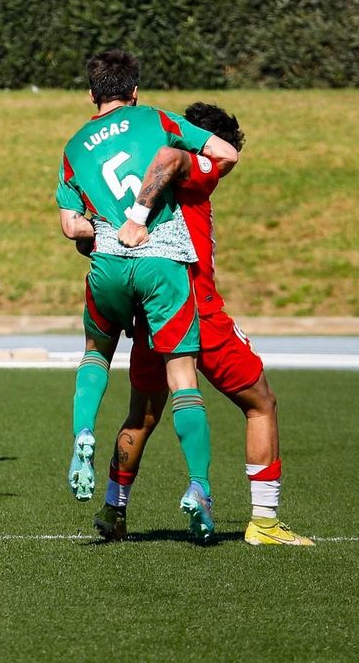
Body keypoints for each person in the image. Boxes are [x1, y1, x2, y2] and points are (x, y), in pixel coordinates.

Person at [96, 102, 313, 546]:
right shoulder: (193, 165)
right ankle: (265, 523)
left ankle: (114, 510)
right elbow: (180, 160)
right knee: (261, 402)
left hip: (152, 312)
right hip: (195, 310)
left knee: (143, 413)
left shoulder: (136, 175)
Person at [55, 50, 238, 541]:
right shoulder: (156, 118)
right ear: (134, 90)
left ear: (92, 95)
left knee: (95, 354)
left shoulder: (73, 147)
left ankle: (84, 435)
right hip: (162, 262)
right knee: (183, 380)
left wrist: (92, 231)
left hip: (109, 263)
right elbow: (226, 153)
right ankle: (198, 486)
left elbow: (72, 224)